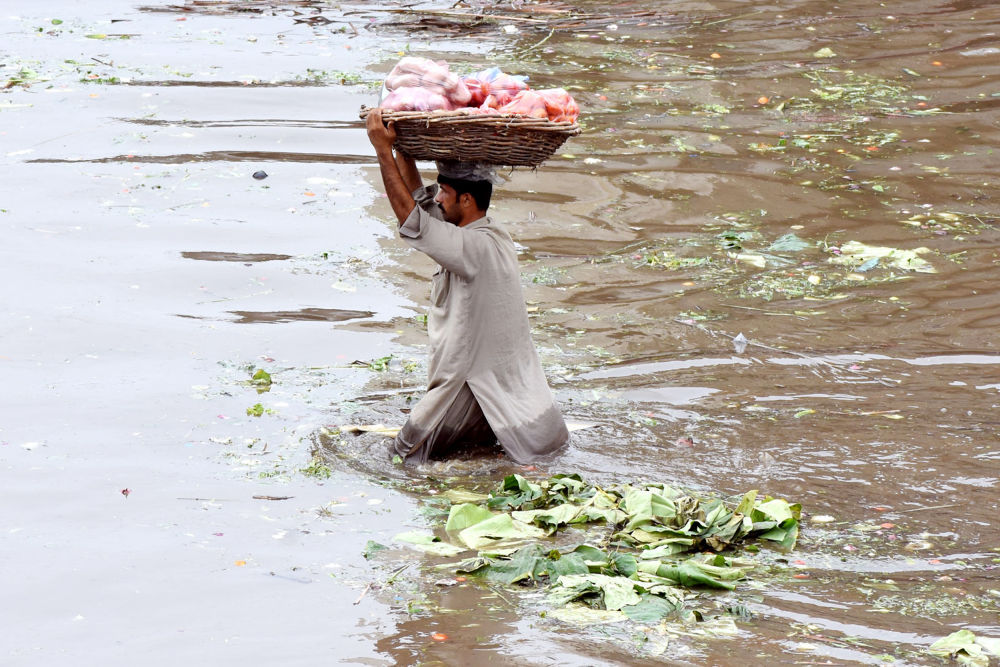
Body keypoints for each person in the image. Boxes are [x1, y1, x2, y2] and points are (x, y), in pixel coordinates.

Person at [365, 107, 569, 464]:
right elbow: (423, 208)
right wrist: (404, 151)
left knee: (400, 459)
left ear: (466, 200)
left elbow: (410, 217)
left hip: (468, 382)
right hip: (511, 398)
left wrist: (382, 149)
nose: (437, 198)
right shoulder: (487, 235)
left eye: (443, 192)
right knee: (481, 456)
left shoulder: (472, 247)